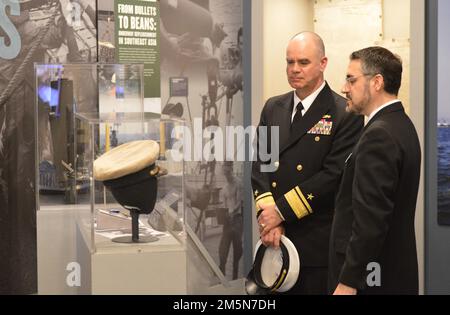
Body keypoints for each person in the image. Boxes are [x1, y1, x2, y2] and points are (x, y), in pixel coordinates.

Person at [252, 32, 363, 294]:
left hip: (315, 245)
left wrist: (280, 212)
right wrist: (268, 218)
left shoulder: (344, 112)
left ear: (323, 63)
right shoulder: (273, 107)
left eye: (303, 62)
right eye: (289, 62)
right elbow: (261, 164)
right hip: (273, 239)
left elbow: (332, 176)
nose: (294, 70)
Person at [328, 46, 421, 295]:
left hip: (371, 280)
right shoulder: (401, 124)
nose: (344, 87)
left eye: (351, 79)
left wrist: (348, 281)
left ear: (377, 82)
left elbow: (371, 221)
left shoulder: (379, 135)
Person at [219, 162, 243, 280]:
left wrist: (232, 211)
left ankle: (235, 278)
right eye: (225, 173)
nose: (227, 175)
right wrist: (224, 213)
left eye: (228, 172)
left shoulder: (238, 183)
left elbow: (239, 202)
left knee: (237, 250)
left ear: (231, 170)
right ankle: (222, 277)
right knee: (223, 249)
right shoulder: (224, 188)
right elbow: (224, 204)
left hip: (237, 220)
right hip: (228, 221)